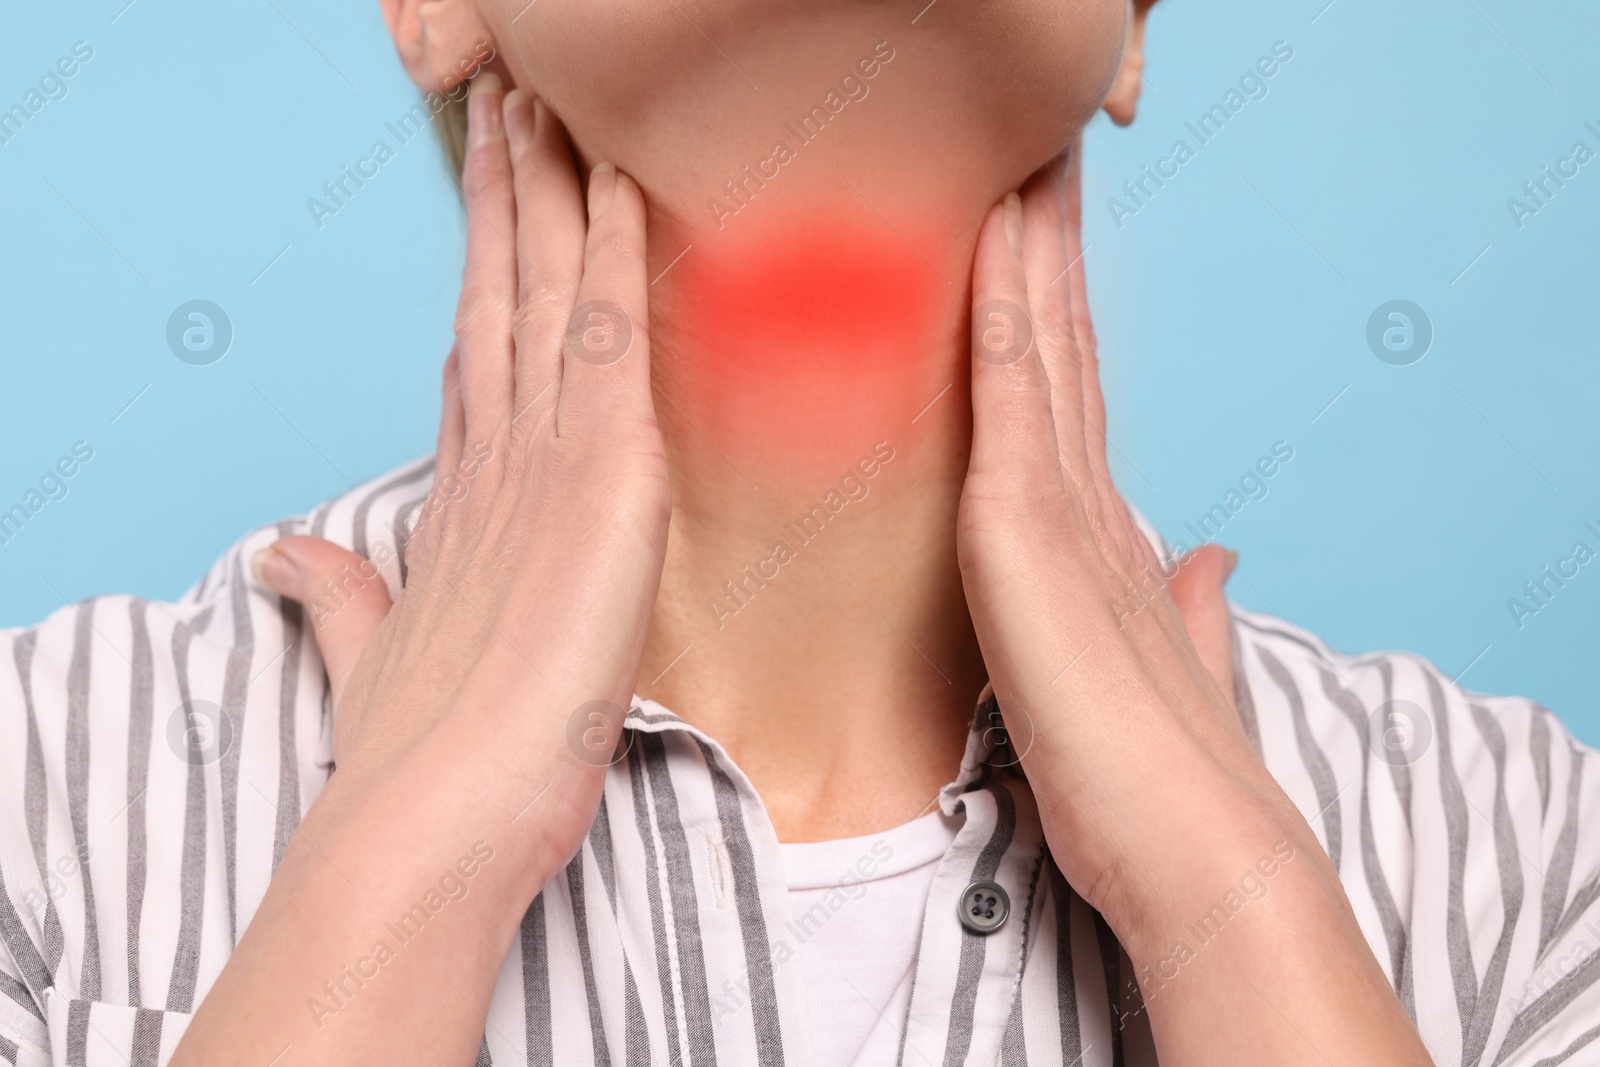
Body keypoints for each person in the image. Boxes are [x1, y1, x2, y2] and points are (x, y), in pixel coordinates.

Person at [2, 0, 1597, 1064]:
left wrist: (1231, 906)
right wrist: (404, 863)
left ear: (1133, 21)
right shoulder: (32, 797)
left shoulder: (1532, 857)